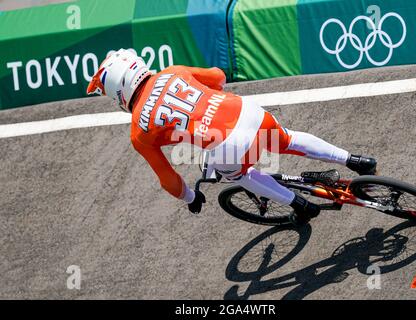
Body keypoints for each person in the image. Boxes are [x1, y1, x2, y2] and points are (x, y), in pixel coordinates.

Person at [87, 49, 377, 225]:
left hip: (228, 143)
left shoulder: (139, 130)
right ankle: (355, 159)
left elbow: (168, 179)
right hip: (244, 110)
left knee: (239, 175)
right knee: (286, 140)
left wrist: (191, 197)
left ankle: (300, 204)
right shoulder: (171, 71)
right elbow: (218, 76)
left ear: (118, 91)